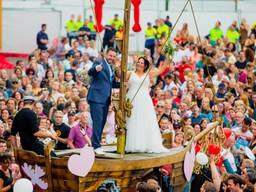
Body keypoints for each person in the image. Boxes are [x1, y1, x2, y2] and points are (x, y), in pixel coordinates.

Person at [125, 57, 168, 153]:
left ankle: (146, 144)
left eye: (141, 63)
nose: (139, 64)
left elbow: (161, 70)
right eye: (138, 62)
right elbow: (120, 75)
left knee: (145, 122)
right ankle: (133, 145)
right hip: (132, 99)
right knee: (133, 122)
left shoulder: (149, 74)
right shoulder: (130, 73)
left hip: (145, 101)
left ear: (145, 66)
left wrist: (168, 56)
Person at [87, 47, 117, 154]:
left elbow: (110, 83)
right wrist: (96, 69)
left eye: (114, 56)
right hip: (96, 97)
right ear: (106, 54)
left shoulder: (111, 67)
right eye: (110, 55)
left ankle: (96, 144)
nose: (112, 58)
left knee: (102, 122)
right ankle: (96, 146)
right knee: (98, 122)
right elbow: (90, 72)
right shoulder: (99, 61)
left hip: (106, 99)